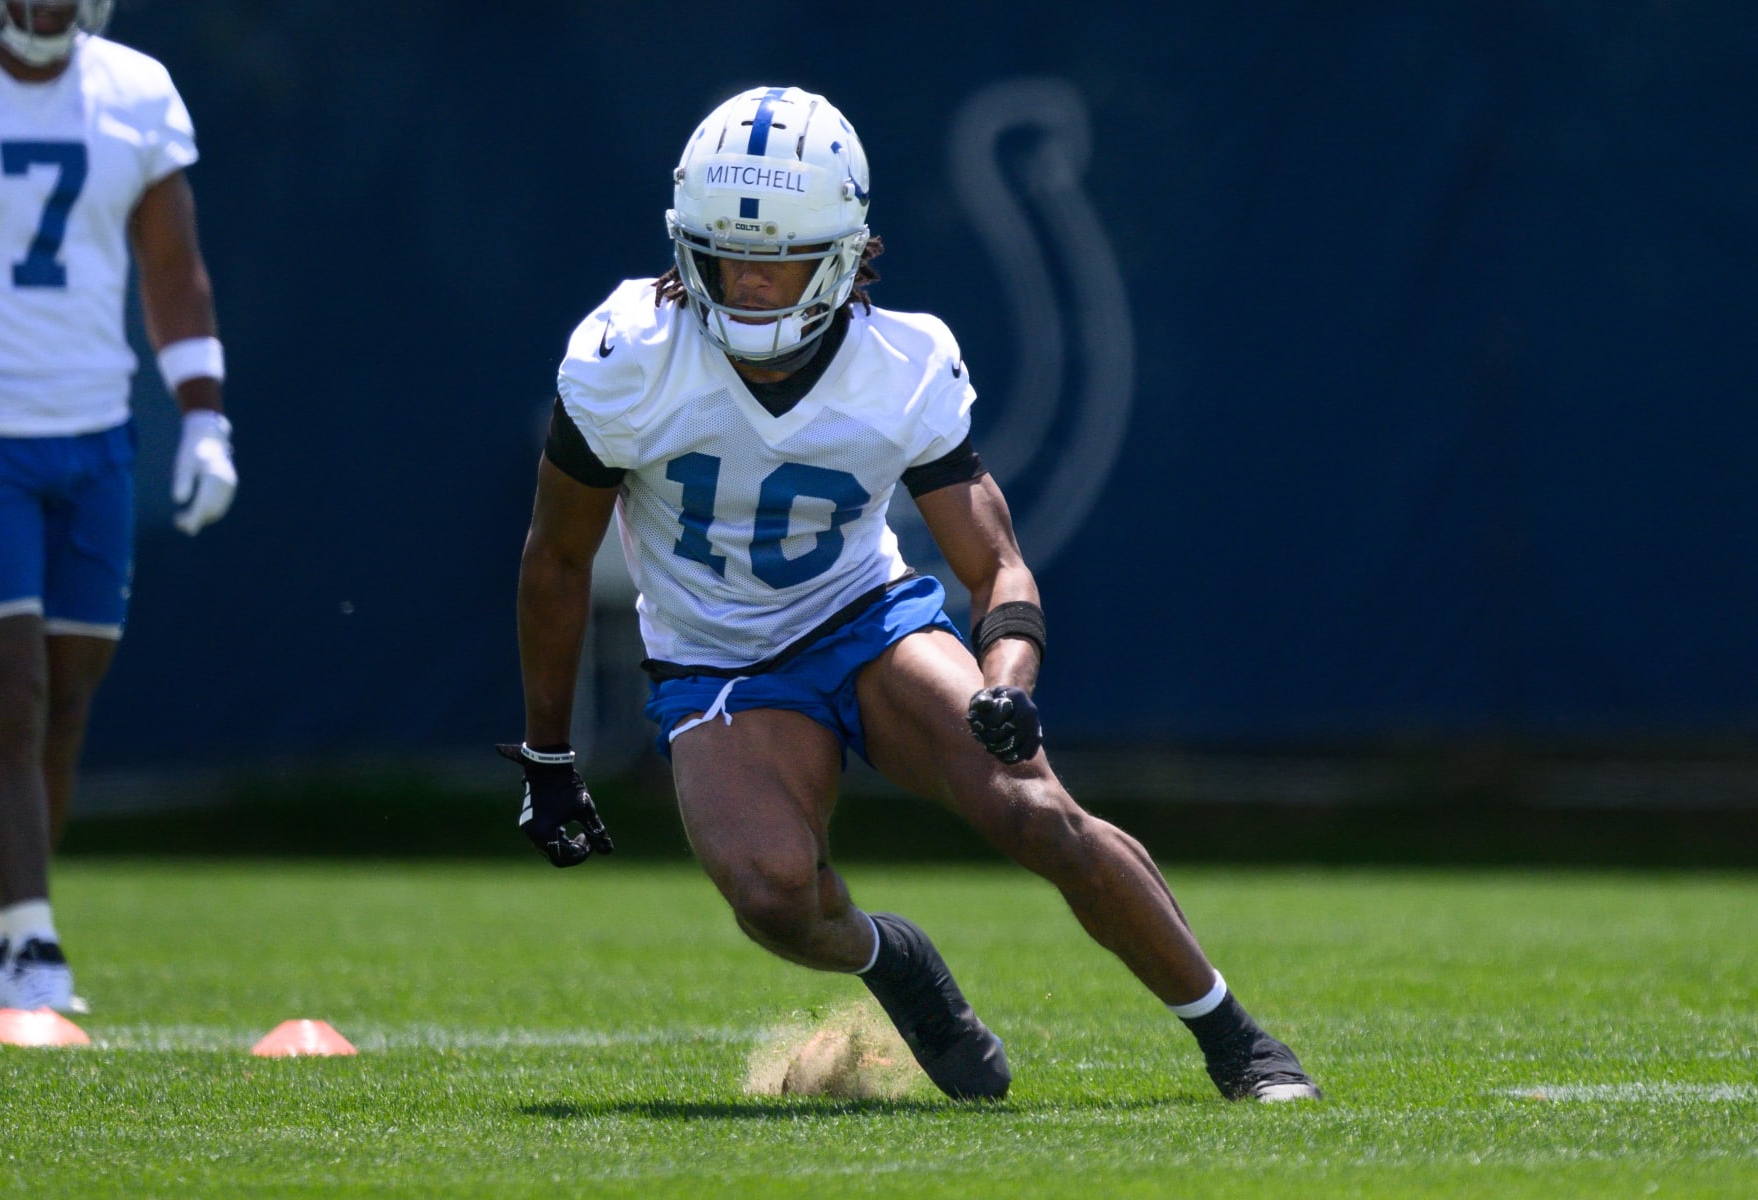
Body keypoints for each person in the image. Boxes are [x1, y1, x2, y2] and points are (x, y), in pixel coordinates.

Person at [504, 84, 1318, 1102]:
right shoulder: (626, 357)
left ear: (847, 251)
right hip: (715, 659)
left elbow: (996, 565)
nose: (753, 286)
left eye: (782, 260)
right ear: (685, 248)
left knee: (1035, 811)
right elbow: (556, 559)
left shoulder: (905, 363)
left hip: (863, 619)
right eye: (728, 259)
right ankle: (897, 963)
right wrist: (547, 756)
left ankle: (1239, 1042)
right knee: (771, 895)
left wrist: (1008, 681)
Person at [0, 0, 237, 1012]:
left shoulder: (135, 92)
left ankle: (0, 924)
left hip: (92, 434)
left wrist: (205, 418)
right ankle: (35, 942)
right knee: (6, 685)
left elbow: (173, 267)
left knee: (67, 685)